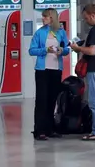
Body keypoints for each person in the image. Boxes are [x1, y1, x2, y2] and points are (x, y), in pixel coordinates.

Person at [70, 4, 95, 141]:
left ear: (92, 15)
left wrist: (78, 48)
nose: (86, 21)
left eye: (86, 18)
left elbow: (92, 51)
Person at [28, 8, 70, 139]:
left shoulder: (61, 32)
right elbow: (31, 50)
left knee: (52, 99)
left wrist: (61, 51)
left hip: (56, 69)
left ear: (52, 18)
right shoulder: (39, 33)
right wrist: (45, 49)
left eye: (45, 16)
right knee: (42, 100)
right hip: (42, 70)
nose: (43, 19)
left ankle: (50, 129)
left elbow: (67, 48)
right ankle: (39, 130)